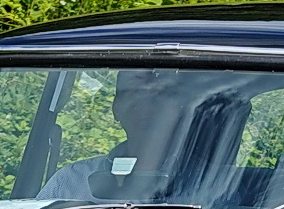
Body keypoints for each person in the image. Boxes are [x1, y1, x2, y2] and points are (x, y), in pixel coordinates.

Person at [37, 69, 184, 200]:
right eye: (135, 93)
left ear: (180, 111)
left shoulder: (202, 181)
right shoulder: (69, 182)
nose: (147, 106)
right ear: (116, 108)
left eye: (161, 95)